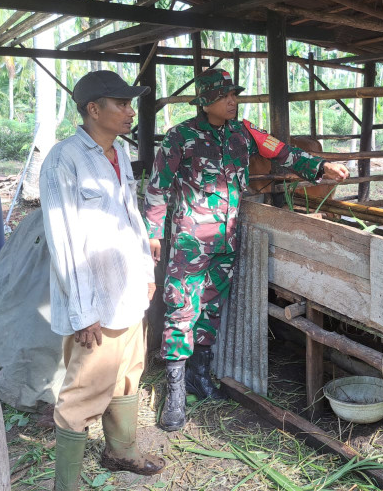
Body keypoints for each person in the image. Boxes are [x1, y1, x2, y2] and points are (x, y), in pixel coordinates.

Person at [144, 68, 349, 431]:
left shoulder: (244, 133)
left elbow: (283, 153)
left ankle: (199, 377)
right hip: (190, 241)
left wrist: (321, 168)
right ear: (206, 101)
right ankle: (174, 394)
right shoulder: (181, 137)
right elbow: (158, 185)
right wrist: (153, 233)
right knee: (180, 307)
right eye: (225, 97)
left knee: (210, 307)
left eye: (234, 95)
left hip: (228, 239)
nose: (233, 101)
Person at [40, 71, 164, 491]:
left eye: (130, 104)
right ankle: (66, 486)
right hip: (95, 301)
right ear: (93, 109)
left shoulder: (116, 154)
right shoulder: (64, 159)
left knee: (128, 374)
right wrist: (83, 311)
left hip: (127, 291)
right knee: (82, 394)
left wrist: (146, 274)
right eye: (121, 104)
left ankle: (121, 451)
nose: (131, 112)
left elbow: (131, 220)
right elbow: (63, 242)